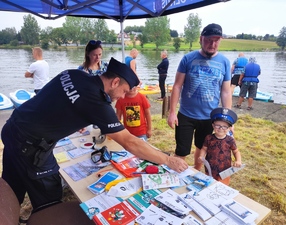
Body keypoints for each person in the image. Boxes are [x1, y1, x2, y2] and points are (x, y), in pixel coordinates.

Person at [1, 57, 188, 213]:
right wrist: (168, 160)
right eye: (123, 91)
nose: (122, 97)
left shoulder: (74, 74)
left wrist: (73, 120)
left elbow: (57, 100)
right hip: (30, 145)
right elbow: (129, 142)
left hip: (13, 127)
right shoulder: (97, 101)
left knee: (11, 185)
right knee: (50, 196)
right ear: (115, 82)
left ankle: (8, 215)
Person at [167, 23, 232, 170]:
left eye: (216, 40)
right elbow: (177, 86)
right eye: (209, 39)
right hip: (185, 115)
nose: (212, 44)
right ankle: (177, 176)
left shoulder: (224, 62)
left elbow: (226, 92)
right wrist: (172, 112)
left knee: (202, 149)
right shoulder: (187, 59)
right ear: (201, 39)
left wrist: (227, 118)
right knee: (181, 151)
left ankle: (196, 173)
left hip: (209, 117)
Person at [197, 107, 242, 185]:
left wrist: (238, 160)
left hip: (224, 170)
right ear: (213, 125)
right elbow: (204, 149)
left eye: (225, 126)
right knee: (209, 184)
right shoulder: (209, 138)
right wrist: (201, 156)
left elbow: (236, 151)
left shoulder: (230, 140)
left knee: (222, 187)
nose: (221, 128)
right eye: (218, 125)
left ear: (229, 128)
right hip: (210, 168)